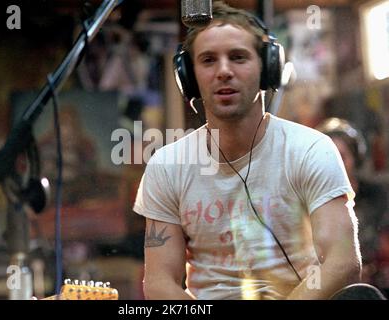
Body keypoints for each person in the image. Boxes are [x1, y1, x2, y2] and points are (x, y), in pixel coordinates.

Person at [133, 1, 361, 300]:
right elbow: (160, 283)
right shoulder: (167, 166)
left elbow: (342, 263)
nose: (224, 71)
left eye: (238, 57)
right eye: (208, 60)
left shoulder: (311, 150)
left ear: (268, 68)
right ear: (188, 77)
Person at [316, 117, 389, 292]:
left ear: (355, 158)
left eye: (342, 156)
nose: (335, 164)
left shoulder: (377, 195)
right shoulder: (312, 203)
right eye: (328, 157)